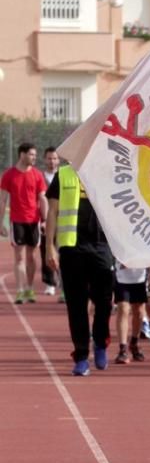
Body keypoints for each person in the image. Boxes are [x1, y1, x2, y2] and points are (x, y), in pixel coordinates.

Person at [44, 164, 115, 376]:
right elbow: (53, 212)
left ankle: (101, 342)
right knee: (76, 305)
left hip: (102, 247)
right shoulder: (63, 174)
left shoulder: (106, 172)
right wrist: (49, 246)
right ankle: (82, 355)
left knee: (104, 302)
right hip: (71, 248)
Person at [0, 143, 48, 304]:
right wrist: (1, 223)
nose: (34, 157)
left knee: (31, 257)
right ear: (22, 154)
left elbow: (43, 198)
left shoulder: (37, 175)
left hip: (34, 221)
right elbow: (3, 200)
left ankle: (29, 288)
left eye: (35, 155)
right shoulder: (9, 175)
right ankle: (20, 290)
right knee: (19, 257)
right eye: (31, 154)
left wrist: (45, 220)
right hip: (17, 221)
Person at [113, 261, 148, 364]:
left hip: (140, 278)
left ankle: (134, 342)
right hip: (122, 277)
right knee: (123, 309)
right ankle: (122, 349)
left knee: (139, 311)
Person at [39, 146, 61, 297]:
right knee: (46, 251)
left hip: (63, 221)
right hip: (45, 221)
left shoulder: (63, 175)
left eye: (54, 158)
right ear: (44, 159)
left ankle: (62, 282)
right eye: (49, 158)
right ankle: (49, 283)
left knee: (63, 252)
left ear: (58, 160)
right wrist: (43, 219)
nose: (52, 161)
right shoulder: (40, 177)